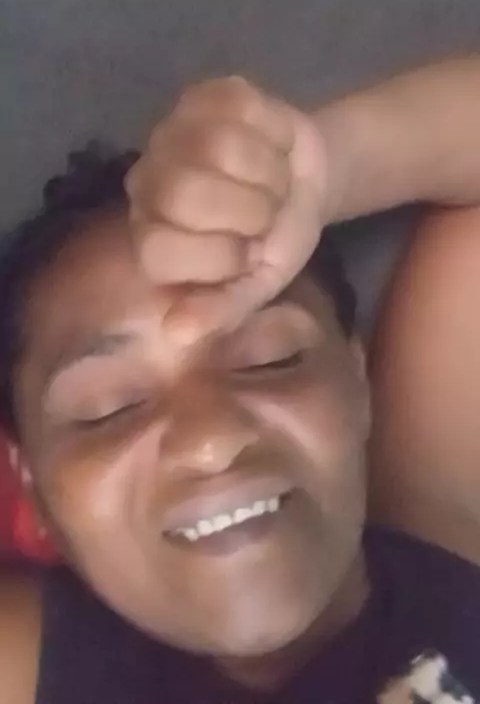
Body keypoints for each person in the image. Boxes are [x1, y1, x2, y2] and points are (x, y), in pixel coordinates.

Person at [2, 60, 480, 703]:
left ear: (357, 380)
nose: (211, 440)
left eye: (268, 359)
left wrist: (330, 166)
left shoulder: (442, 539)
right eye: (107, 407)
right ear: (30, 479)